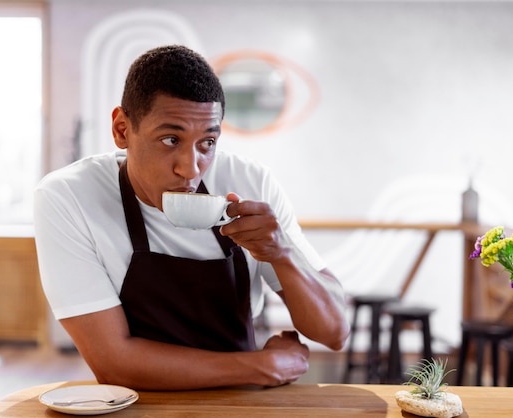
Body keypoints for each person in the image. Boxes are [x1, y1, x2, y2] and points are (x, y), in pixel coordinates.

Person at [34, 45, 349, 391]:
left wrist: (282, 254)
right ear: (122, 130)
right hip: (137, 406)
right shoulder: (69, 197)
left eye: (207, 142)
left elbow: (333, 332)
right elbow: (114, 363)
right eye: (171, 139)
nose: (191, 168)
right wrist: (262, 366)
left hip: (242, 406)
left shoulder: (250, 183)